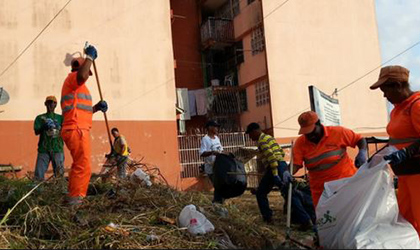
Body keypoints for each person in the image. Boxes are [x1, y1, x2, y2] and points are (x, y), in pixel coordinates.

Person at [370, 65, 420, 235]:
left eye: (385, 90)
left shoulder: (416, 106)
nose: (384, 95)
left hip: (417, 173)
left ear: (398, 86)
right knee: (406, 220)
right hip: (405, 174)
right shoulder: (398, 110)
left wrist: (407, 152)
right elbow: (399, 139)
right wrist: (378, 155)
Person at [60, 44, 108, 205]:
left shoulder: (77, 87)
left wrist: (96, 108)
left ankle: (73, 197)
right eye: (87, 70)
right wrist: (90, 57)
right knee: (83, 166)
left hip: (76, 128)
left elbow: (80, 110)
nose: (88, 74)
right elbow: (81, 76)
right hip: (76, 129)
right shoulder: (74, 79)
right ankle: (76, 201)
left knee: (78, 165)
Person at [292, 111, 368, 208]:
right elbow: (296, 164)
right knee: (327, 218)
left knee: (349, 213)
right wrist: (287, 172)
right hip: (320, 190)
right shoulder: (300, 143)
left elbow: (359, 139)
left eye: (312, 131)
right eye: (306, 133)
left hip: (344, 183)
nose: (310, 136)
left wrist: (362, 152)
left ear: (319, 123)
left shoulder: (338, 132)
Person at [245, 122, 306, 225]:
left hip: (274, 168)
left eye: (250, 135)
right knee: (288, 193)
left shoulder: (262, 142)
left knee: (263, 193)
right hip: (280, 165)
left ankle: (268, 218)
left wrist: (275, 174)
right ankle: (304, 220)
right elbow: (281, 153)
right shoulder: (269, 138)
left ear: (255, 131)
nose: (250, 138)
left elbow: (272, 159)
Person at [33, 96, 64, 180]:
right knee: (39, 174)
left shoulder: (61, 118)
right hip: (44, 149)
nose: (51, 104)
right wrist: (43, 126)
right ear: (45, 104)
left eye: (53, 103)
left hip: (57, 148)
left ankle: (60, 191)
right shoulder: (40, 118)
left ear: (56, 105)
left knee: (59, 175)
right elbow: (36, 131)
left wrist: (59, 127)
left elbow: (66, 131)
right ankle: (38, 191)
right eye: (49, 102)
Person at [200, 120, 224, 204]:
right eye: (215, 127)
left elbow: (220, 150)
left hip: (219, 166)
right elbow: (202, 153)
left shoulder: (217, 138)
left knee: (220, 186)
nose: (217, 129)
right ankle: (217, 203)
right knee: (218, 186)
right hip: (211, 168)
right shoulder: (205, 139)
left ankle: (217, 202)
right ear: (210, 128)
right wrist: (212, 152)